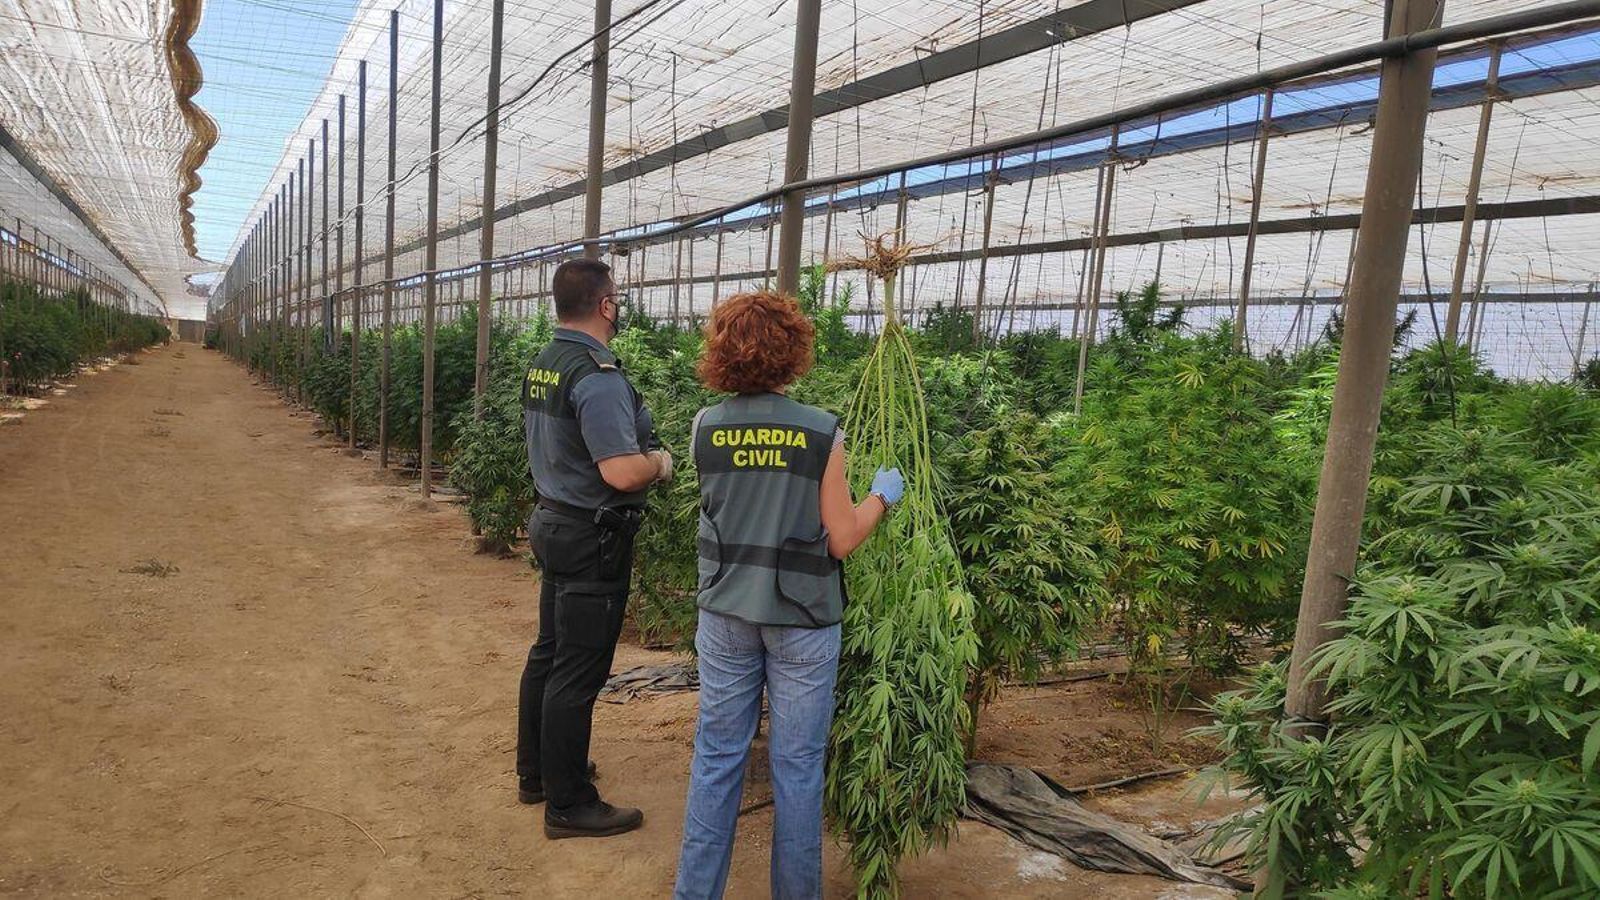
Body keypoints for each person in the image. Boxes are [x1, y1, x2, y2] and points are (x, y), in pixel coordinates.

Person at [673, 291, 904, 899]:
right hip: (802, 617)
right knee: (797, 769)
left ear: (721, 352)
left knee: (718, 758)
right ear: (793, 351)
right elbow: (842, 539)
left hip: (725, 612)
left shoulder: (705, 427)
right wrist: (881, 496)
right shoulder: (820, 432)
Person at [517, 257, 673, 839]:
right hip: (590, 535)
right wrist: (659, 462)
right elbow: (621, 472)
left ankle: (537, 774)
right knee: (577, 670)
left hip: (554, 520)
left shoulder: (546, 362)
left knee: (550, 652)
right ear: (606, 304)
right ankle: (569, 803)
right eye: (618, 298)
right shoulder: (598, 376)